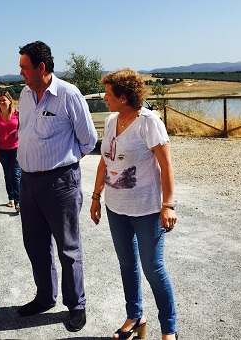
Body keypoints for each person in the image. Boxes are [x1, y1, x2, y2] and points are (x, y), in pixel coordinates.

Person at [90, 68, 178, 340]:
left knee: (153, 268)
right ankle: (135, 316)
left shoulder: (148, 122)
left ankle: (169, 330)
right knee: (127, 264)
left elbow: (166, 164)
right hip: (115, 207)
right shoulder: (112, 119)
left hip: (147, 209)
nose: (105, 97)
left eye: (109, 93)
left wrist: (168, 204)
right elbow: (105, 160)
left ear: (124, 97)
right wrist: (95, 196)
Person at [16, 41, 97, 332]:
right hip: (28, 182)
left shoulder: (68, 94)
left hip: (60, 182)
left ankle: (76, 305)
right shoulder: (25, 94)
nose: (20, 71)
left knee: (68, 247)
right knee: (35, 244)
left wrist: (63, 165)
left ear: (41, 67)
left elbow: (88, 141)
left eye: (25, 66)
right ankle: (45, 297)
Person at [0, 91, 20, 214]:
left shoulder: (17, 113)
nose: (2, 102)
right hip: (2, 149)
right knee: (7, 174)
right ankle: (11, 197)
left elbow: (23, 127)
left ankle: (18, 201)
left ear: (10, 101)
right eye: (0, 100)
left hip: (16, 148)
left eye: (4, 100)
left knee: (16, 174)